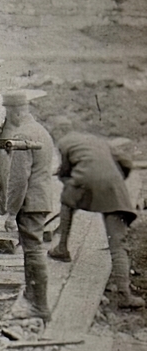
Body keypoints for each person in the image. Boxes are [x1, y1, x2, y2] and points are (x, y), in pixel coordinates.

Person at [47, 117, 142, 309]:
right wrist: (115, 180)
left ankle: (62, 248)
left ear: (57, 132)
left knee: (67, 202)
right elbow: (126, 162)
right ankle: (125, 294)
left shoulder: (64, 143)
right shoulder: (97, 140)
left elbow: (65, 170)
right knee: (117, 243)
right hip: (114, 187)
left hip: (84, 181)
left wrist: (67, 182)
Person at [0, 91, 59, 320]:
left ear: (15, 112)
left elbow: (18, 180)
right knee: (34, 250)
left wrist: (11, 212)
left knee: (33, 252)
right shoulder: (40, 130)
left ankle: (39, 306)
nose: (7, 119)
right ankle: (34, 299)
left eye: (8, 114)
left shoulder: (24, 136)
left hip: (30, 203)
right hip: (41, 198)